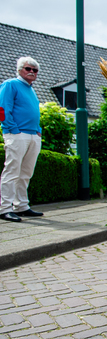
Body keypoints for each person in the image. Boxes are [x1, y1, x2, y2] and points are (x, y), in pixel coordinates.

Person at [0, 57, 44, 222]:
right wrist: (13, 130)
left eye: (35, 70)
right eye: (28, 69)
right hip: (17, 134)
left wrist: (38, 131)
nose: (32, 72)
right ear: (19, 70)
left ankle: (21, 206)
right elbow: (3, 108)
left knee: (26, 172)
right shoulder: (11, 84)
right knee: (12, 171)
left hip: (33, 134)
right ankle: (5, 208)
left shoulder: (31, 89)